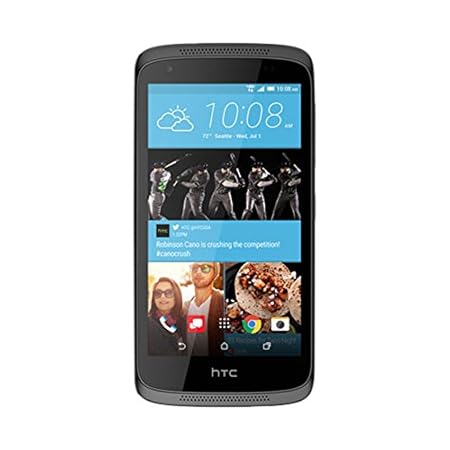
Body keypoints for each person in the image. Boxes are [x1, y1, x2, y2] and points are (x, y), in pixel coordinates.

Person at [184, 263, 224, 356]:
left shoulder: (223, 300)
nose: (198, 272)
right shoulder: (184, 307)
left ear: (215, 273)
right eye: (195, 268)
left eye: (205, 268)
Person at [148, 277, 186, 355]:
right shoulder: (147, 324)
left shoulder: (186, 322)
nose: (162, 296)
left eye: (168, 293)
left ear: (176, 297)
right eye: (158, 293)